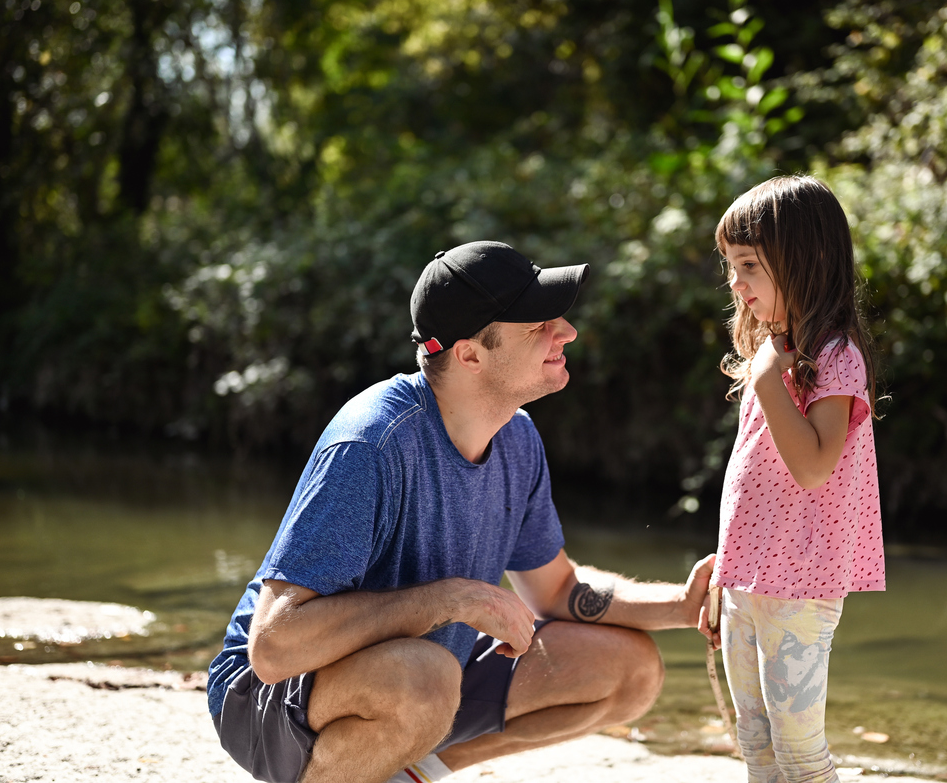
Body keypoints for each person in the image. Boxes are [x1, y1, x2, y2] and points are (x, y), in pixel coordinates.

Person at [207, 240, 715, 783]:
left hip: (426, 670)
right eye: (536, 324)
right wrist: (454, 599)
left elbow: (555, 591)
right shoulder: (372, 444)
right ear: (470, 354)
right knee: (425, 679)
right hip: (268, 699)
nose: (565, 331)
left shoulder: (516, 436)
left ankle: (412, 771)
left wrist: (682, 607)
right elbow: (275, 646)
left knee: (629, 669)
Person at [697, 176, 885, 783]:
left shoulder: (835, 357)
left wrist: (765, 382)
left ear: (808, 261)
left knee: (801, 755)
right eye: (730, 266)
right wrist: (725, 563)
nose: (736, 282)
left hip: (799, 585)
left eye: (749, 265)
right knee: (757, 748)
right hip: (747, 578)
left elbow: (811, 466)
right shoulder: (776, 352)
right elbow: (755, 480)